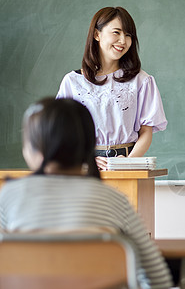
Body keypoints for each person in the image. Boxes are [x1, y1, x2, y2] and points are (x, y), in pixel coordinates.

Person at [0, 98, 172, 289]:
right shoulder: (114, 200)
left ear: (33, 149)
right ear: (88, 146)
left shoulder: (8, 197)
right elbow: (158, 280)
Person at [57, 7, 167, 170]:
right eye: (116, 32)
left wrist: (127, 162)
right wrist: (85, 159)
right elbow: (63, 132)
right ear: (97, 34)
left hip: (127, 163)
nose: (123, 41)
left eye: (128, 35)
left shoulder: (141, 80)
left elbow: (146, 132)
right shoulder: (73, 81)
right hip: (84, 166)